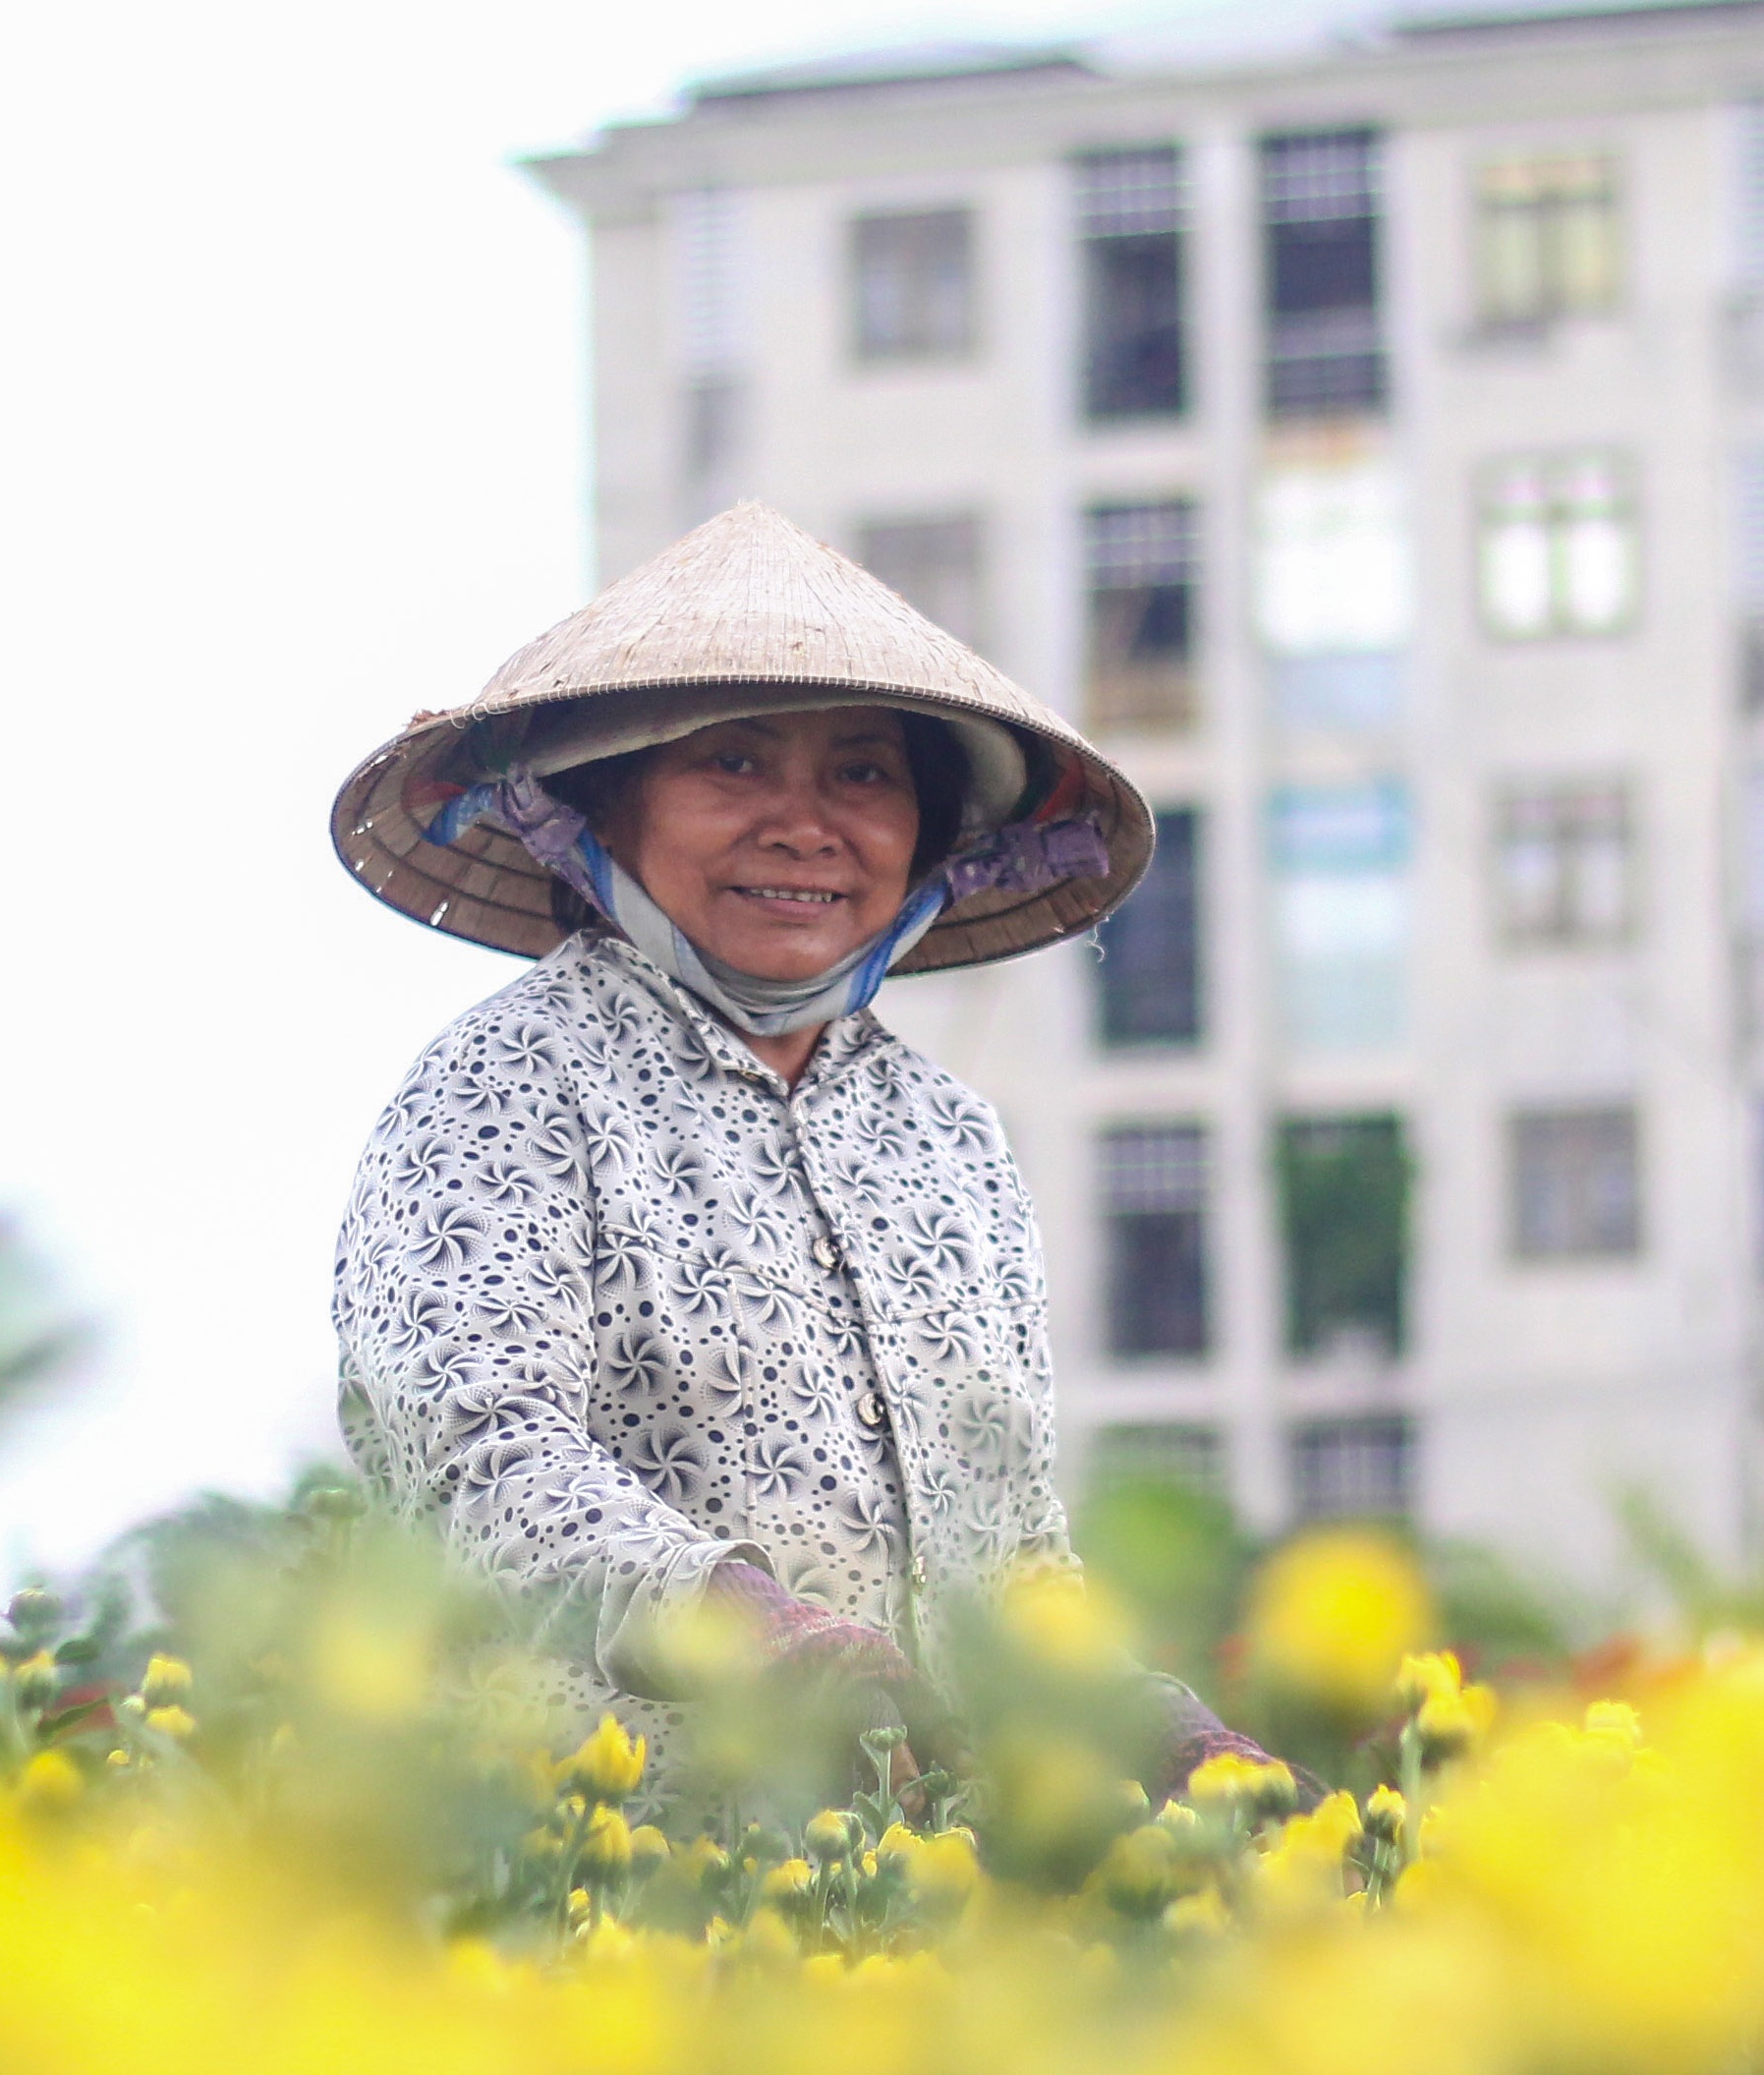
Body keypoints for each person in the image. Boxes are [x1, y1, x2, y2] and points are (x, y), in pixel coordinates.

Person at [326, 503, 1280, 1801]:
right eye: (733, 766)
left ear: (929, 839)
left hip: (913, 1894)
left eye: (864, 776)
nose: (804, 825)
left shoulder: (952, 1140)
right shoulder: (510, 1081)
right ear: (603, 811)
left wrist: (1144, 1721)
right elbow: (474, 1459)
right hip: (602, 1866)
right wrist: (745, 1624)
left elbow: (1010, 1549)